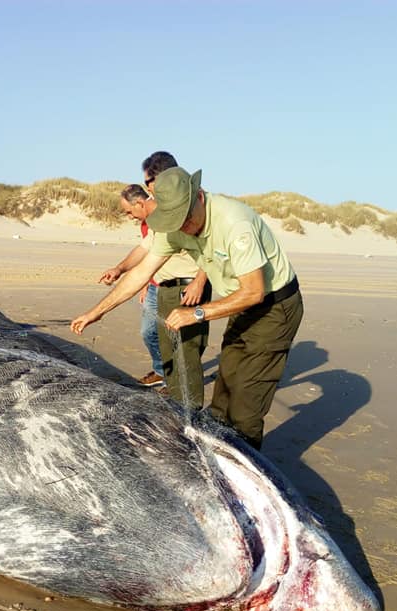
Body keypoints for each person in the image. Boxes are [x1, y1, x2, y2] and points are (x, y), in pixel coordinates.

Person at [72, 165, 303, 449]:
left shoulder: (235, 223)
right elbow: (141, 273)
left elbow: (254, 292)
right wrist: (96, 312)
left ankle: (248, 466)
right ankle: (218, 451)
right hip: (241, 306)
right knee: (225, 390)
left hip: (274, 307)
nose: (183, 227)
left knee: (246, 404)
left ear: (200, 197)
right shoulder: (174, 226)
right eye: (174, 220)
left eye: (186, 218)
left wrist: (196, 313)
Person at [99, 183, 211, 405]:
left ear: (140, 203)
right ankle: (166, 375)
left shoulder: (178, 215)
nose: (129, 216)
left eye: (129, 211)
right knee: (152, 334)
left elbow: (208, 248)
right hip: (157, 285)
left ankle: (186, 401)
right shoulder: (152, 223)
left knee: (185, 346)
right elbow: (145, 250)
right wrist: (123, 271)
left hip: (186, 287)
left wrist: (199, 281)